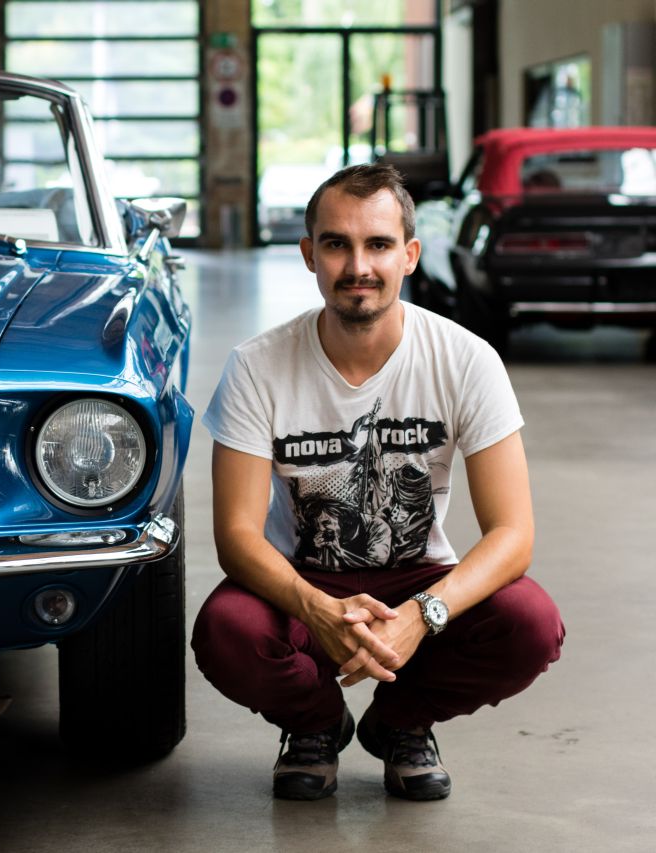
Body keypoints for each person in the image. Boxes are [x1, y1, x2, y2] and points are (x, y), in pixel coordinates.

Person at [192, 164, 564, 802]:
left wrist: (422, 615)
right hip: (304, 580)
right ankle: (315, 724)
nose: (358, 266)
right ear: (309, 254)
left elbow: (513, 534)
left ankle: (400, 724)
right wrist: (318, 609)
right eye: (337, 244)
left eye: (379, 244)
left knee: (530, 622)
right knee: (227, 629)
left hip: (417, 576)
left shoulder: (467, 360)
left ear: (409, 255)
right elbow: (236, 535)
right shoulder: (257, 367)